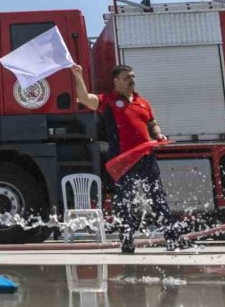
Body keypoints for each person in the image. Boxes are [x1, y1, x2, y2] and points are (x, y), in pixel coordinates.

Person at [71, 63, 186, 253]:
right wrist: (78, 76)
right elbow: (85, 98)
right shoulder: (108, 100)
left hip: (146, 158)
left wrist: (158, 134)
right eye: (127, 78)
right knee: (124, 202)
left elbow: (152, 124)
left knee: (158, 199)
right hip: (123, 161)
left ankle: (172, 239)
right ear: (116, 81)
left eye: (133, 76)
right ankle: (127, 241)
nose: (132, 80)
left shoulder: (143, 102)